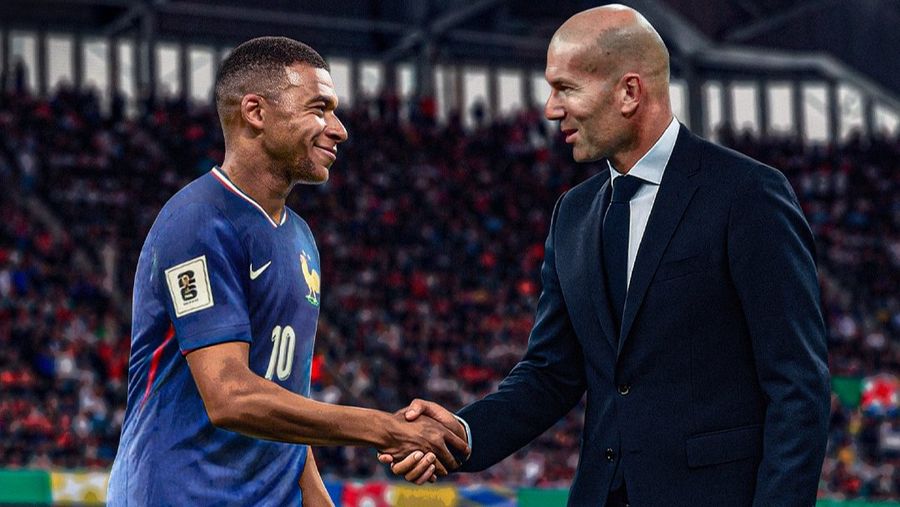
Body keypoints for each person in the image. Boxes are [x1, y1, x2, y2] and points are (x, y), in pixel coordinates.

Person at [383, 5, 830, 506]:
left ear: (629, 92)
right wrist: (462, 434)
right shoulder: (572, 214)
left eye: (566, 89)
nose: (551, 109)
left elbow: (798, 386)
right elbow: (551, 372)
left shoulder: (746, 194)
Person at [107, 37, 467, 506]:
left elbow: (285, 401)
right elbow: (230, 397)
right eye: (320, 109)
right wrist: (386, 429)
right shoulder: (197, 221)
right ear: (255, 112)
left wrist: (318, 498)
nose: (339, 129)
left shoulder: (300, 237)